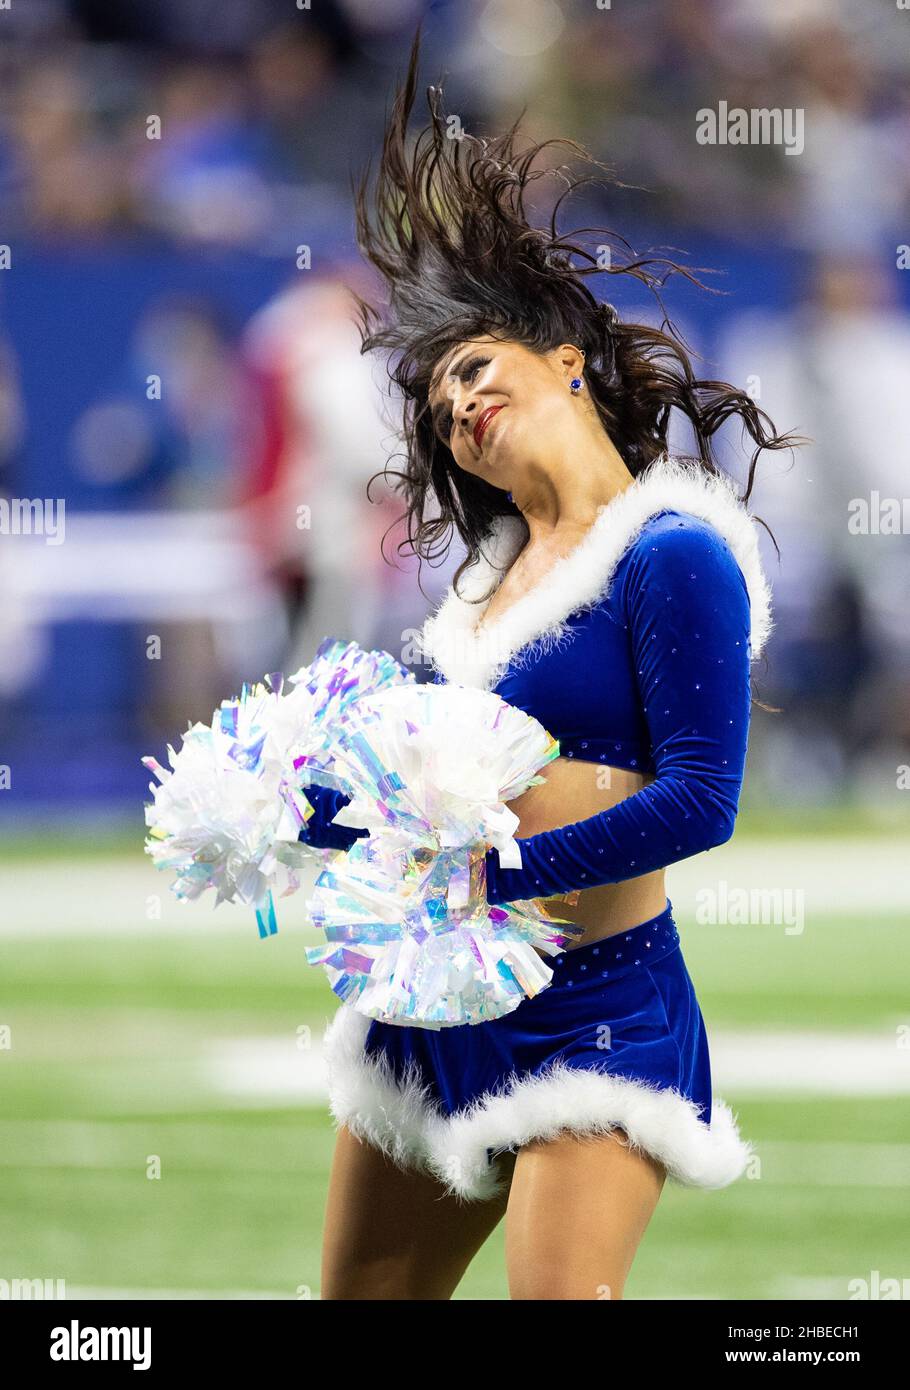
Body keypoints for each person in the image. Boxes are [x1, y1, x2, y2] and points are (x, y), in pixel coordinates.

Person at [301, 27, 798, 1300]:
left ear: (563, 358)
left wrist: (493, 869)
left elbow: (700, 800)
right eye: (437, 414)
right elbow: (417, 799)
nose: (457, 409)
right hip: (434, 1008)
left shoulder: (669, 551)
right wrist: (292, 808)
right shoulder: (474, 599)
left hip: (600, 1008)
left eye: (473, 370)